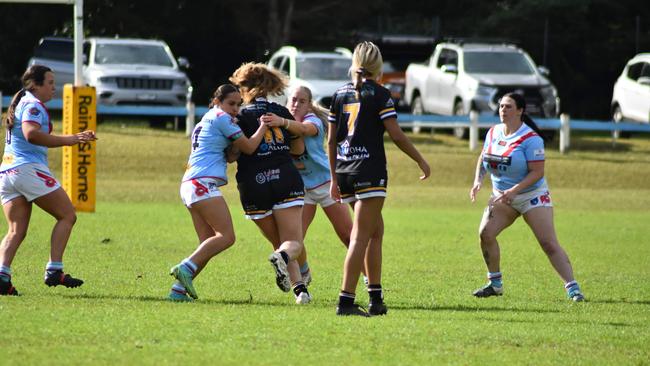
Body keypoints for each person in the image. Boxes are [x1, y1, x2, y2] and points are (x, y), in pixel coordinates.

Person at [328, 42, 431, 316]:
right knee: (360, 237)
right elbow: (396, 135)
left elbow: (330, 140)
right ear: (378, 66)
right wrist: (420, 160)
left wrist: (333, 179)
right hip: (369, 171)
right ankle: (346, 301)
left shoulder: (338, 95)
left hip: (345, 171)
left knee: (375, 232)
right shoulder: (381, 94)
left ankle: (375, 298)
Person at [469, 92, 585, 302]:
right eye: (501, 106)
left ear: (520, 111)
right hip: (502, 197)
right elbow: (483, 156)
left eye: (508, 107)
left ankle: (573, 288)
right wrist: (478, 180)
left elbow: (537, 172)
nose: (503, 110)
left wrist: (514, 191)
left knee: (548, 243)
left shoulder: (531, 139)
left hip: (531, 196)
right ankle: (495, 284)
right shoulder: (494, 132)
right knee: (485, 234)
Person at [0, 65, 96, 296]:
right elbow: (31, 134)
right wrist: (71, 139)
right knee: (67, 215)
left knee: (16, 230)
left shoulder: (22, 101)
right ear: (36, 85)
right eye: (50, 83)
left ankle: (2, 277)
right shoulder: (33, 104)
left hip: (7, 172)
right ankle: (54, 269)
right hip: (26, 170)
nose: (54, 88)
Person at [168, 84, 268, 301]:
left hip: (190, 184)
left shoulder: (209, 118)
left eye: (238, 105)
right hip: (202, 183)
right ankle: (184, 267)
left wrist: (236, 141)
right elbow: (250, 147)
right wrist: (262, 127)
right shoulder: (221, 118)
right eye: (231, 104)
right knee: (227, 237)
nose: (235, 109)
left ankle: (177, 291)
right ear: (217, 101)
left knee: (207, 242)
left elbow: (232, 156)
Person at [229, 63, 310, 304]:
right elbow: (298, 148)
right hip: (285, 178)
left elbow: (233, 154)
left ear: (243, 88)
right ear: (269, 85)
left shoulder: (240, 116)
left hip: (252, 184)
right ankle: (292, 275)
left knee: (280, 243)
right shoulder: (281, 113)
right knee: (291, 244)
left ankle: (301, 291)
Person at [260, 85, 354, 286]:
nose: (296, 104)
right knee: (296, 238)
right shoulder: (281, 123)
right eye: (293, 99)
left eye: (302, 101)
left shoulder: (313, 120)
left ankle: (367, 278)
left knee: (347, 235)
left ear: (309, 105)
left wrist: (282, 122)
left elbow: (304, 130)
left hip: (326, 184)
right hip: (302, 189)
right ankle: (304, 272)